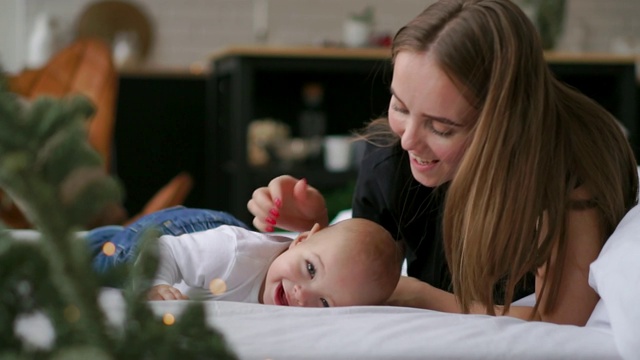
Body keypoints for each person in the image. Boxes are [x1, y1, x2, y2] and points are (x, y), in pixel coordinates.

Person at [247, 0, 639, 325]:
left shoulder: (570, 166)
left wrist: (418, 295)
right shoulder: (390, 154)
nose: (409, 139)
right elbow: (364, 267)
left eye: (441, 127)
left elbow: (562, 320)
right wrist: (324, 226)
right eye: (400, 106)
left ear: (502, 127)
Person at [85, 206, 402, 307]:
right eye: (309, 269)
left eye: (325, 303)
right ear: (302, 239)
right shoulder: (232, 255)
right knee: (105, 262)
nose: (301, 293)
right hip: (173, 232)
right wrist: (154, 284)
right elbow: (163, 249)